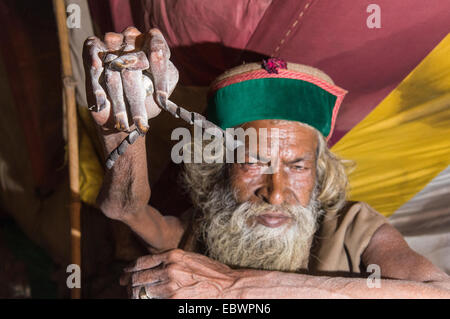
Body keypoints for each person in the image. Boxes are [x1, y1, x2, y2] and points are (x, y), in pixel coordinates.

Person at [83, 27, 450, 299]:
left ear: (319, 172)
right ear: (221, 166)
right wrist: (124, 134)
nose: (275, 194)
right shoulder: (207, 226)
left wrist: (234, 287)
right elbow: (125, 207)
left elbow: (438, 293)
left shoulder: (354, 229)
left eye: (297, 166)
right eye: (254, 163)